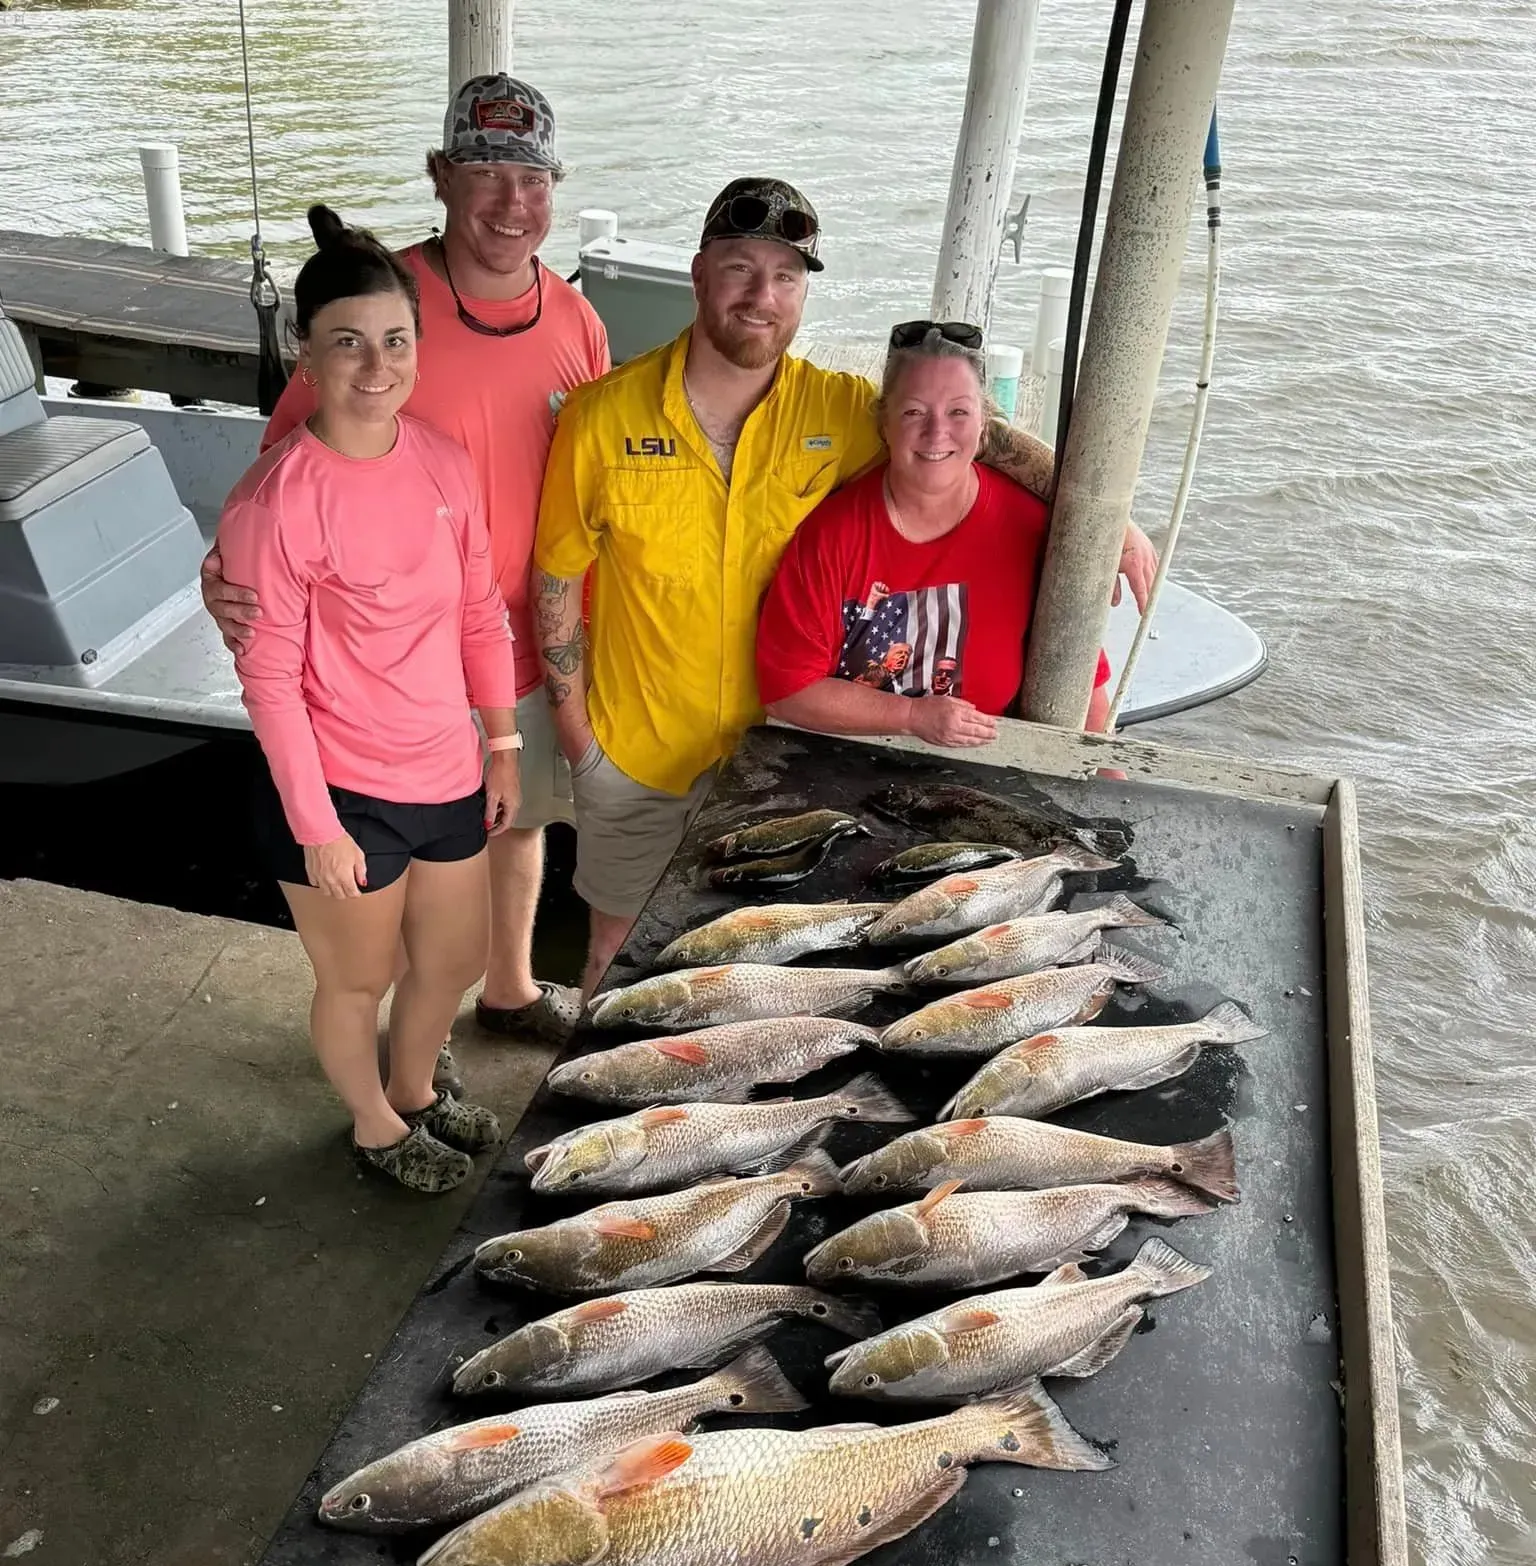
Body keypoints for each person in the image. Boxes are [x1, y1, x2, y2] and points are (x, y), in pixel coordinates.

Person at [532, 177, 1154, 992]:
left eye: (786, 277)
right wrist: (581, 740)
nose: (762, 296)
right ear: (698, 273)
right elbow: (554, 580)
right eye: (740, 268)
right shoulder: (600, 416)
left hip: (786, 761)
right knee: (617, 957)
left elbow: (951, 425)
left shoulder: (841, 408)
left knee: (753, 970)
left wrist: (1100, 512)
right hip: (640, 752)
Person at [203, 77, 608, 1048]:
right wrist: (217, 577)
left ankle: (507, 989)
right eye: (484, 173)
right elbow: (278, 477)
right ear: (439, 176)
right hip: (387, 665)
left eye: (532, 176)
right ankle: (383, 1037)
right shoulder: (379, 308)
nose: (512, 202)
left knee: (521, 823)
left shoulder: (579, 323)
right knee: (386, 888)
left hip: (525, 641)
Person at [217, 205, 517, 1195]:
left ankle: (416, 1081)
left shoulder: (442, 461)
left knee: (456, 957)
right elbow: (266, 674)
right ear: (307, 353)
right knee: (359, 976)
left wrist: (503, 742)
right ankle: (376, 1123)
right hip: (339, 788)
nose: (375, 363)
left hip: (446, 767)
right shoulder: (278, 496)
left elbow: (478, 608)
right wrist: (316, 826)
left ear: (418, 350)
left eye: (394, 340)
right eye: (347, 342)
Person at [755, 320, 1114, 742]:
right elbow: (786, 690)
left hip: (985, 767)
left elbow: (1085, 687)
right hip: (843, 763)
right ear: (884, 425)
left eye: (958, 411)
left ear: (984, 423)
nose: (936, 432)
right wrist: (911, 715)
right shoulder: (831, 535)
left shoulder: (1031, 529)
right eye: (914, 412)